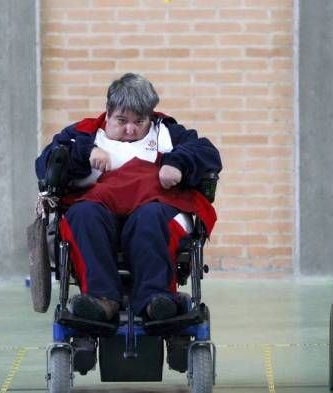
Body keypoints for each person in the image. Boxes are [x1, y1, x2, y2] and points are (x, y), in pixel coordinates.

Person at [34, 73, 222, 322]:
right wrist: (84, 153)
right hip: (98, 210)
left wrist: (177, 163)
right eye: (121, 120)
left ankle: (156, 300)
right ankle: (102, 300)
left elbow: (207, 152)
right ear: (108, 113)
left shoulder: (166, 134)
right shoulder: (85, 134)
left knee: (151, 218)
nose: (130, 129)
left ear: (151, 117)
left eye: (139, 121)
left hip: (153, 208)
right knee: (82, 215)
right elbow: (46, 162)